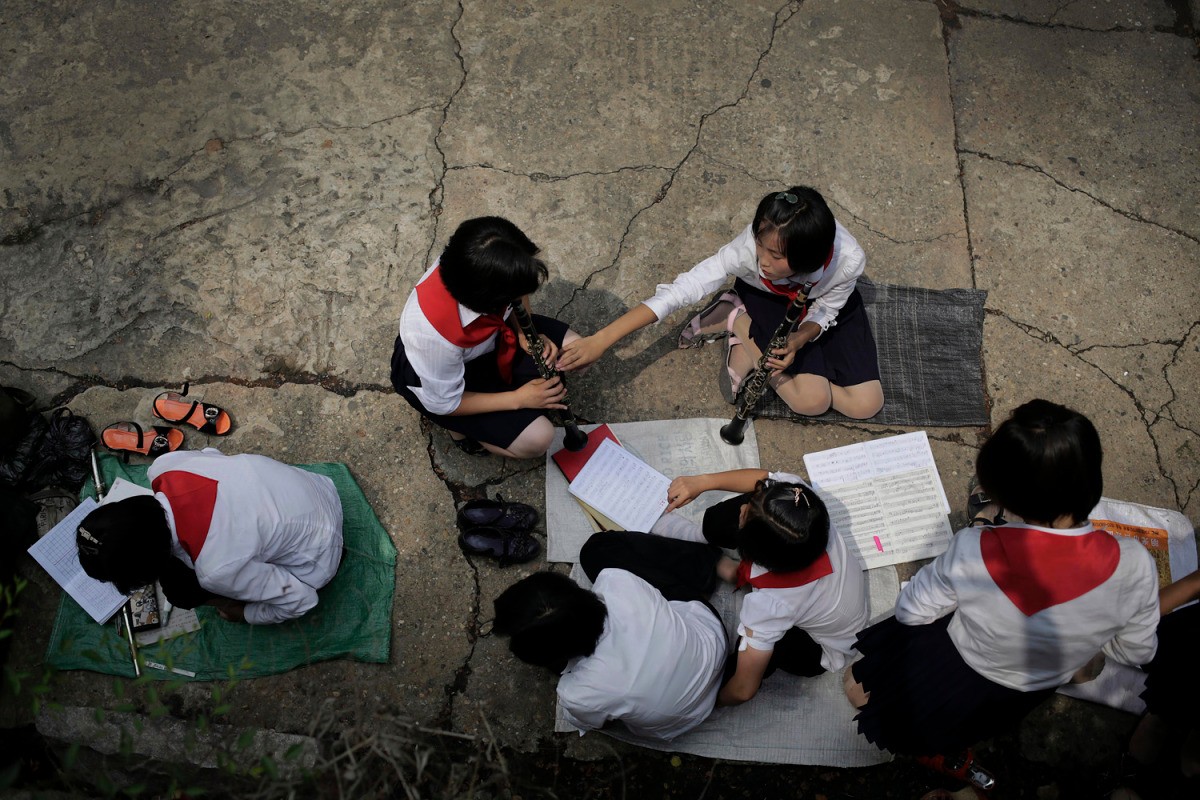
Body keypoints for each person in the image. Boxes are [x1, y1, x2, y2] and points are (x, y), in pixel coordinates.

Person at [843, 399, 1160, 790]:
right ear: (1091, 481)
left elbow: (912, 612)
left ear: (1005, 495)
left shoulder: (974, 549)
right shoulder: (1135, 563)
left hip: (954, 672)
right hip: (1024, 691)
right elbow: (1136, 653)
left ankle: (923, 743)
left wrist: (979, 534)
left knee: (855, 687)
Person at [556, 186, 883, 419]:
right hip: (770, 298)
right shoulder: (746, 256)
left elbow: (828, 307)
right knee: (811, 401)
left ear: (808, 260)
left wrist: (800, 338)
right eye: (760, 243)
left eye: (776, 255)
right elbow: (680, 291)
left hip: (814, 308)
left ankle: (743, 327)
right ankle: (738, 317)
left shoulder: (849, 261)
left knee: (866, 405)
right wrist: (601, 339)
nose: (763, 261)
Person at [596, 467, 868, 707]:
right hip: (825, 596)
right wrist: (702, 482)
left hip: (818, 647)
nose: (741, 508)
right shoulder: (801, 506)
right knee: (735, 515)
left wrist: (708, 704)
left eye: (745, 516)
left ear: (753, 554)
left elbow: (743, 689)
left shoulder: (771, 606)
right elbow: (763, 478)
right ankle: (719, 562)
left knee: (745, 658)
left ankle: (717, 569)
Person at [76, 448, 343, 624]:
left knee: (181, 590)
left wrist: (246, 613)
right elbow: (215, 457)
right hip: (317, 489)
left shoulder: (217, 569)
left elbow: (301, 599)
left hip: (320, 554)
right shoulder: (164, 467)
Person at [391, 216, 581, 459]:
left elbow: (517, 292)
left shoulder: (472, 261)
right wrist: (519, 399)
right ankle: (460, 431)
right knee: (539, 438)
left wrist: (524, 330)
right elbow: (445, 402)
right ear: (491, 301)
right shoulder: (431, 337)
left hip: (494, 340)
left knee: (575, 349)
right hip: (448, 380)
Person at [492, 559, 727, 742]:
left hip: (683, 719)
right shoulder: (618, 581)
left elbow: (595, 722)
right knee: (598, 549)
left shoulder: (581, 694)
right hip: (711, 641)